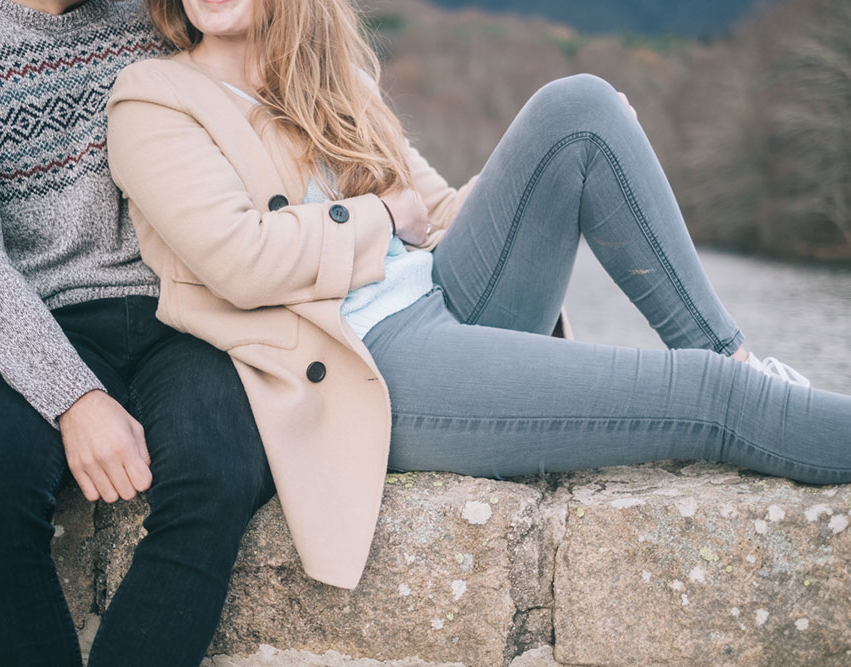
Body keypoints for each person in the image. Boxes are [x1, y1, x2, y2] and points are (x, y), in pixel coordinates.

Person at [106, 0, 851, 593]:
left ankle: (735, 350)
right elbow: (243, 260)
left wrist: (553, 160)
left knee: (578, 107)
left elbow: (436, 215)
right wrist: (378, 217)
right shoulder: (155, 100)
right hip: (371, 362)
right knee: (709, 399)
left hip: (444, 292)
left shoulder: (336, 82)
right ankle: (746, 390)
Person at [0, 0, 275, 665]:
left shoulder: (160, 19)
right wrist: (74, 397)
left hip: (184, 308)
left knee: (220, 471)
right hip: (40, 319)